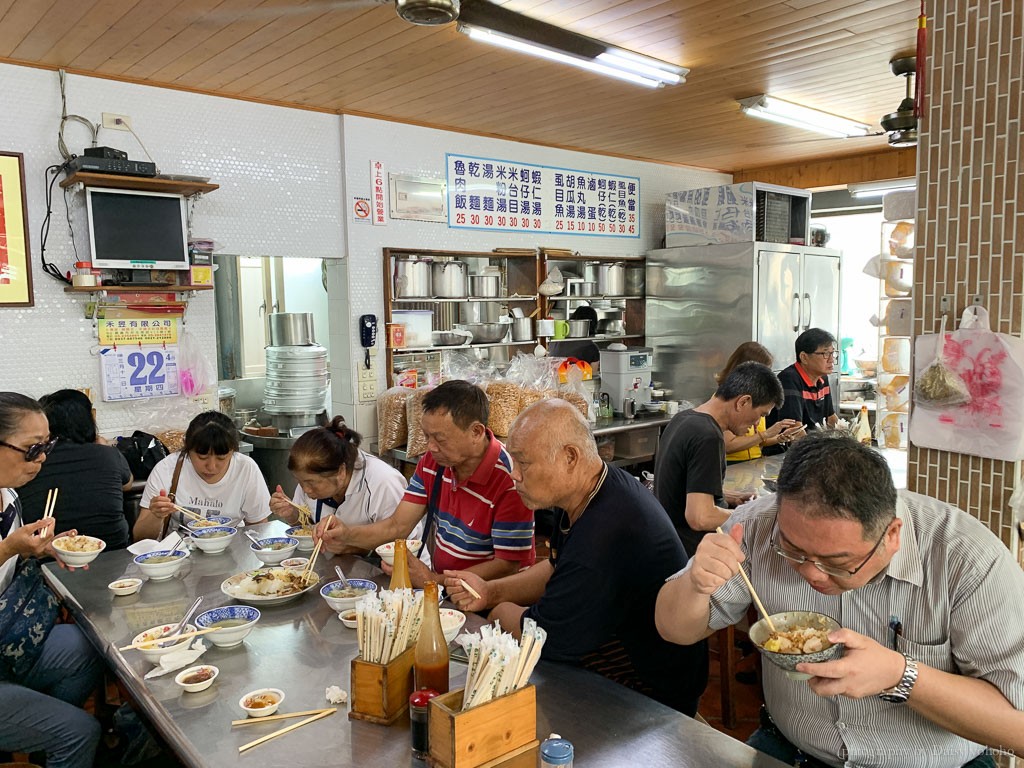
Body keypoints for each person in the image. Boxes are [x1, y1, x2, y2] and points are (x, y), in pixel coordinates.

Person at [655, 432, 1024, 768]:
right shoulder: (755, 527)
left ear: (892, 533)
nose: (813, 574)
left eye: (839, 562)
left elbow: (1017, 731)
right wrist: (695, 583)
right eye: (794, 551)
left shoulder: (968, 561)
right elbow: (673, 630)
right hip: (793, 750)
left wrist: (901, 676)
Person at [444, 399, 708, 715]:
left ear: (570, 457)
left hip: (649, 696)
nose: (513, 475)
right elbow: (558, 567)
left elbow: (542, 639)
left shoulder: (605, 533)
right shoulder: (596, 487)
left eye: (523, 463)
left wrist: (497, 610)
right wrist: (491, 591)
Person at [314, 380, 535, 586]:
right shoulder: (434, 462)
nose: (430, 447)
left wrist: (434, 580)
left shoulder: (510, 479)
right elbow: (397, 525)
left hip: (488, 595)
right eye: (426, 436)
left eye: (439, 438)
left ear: (476, 432)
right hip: (443, 588)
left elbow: (508, 564)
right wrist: (346, 534)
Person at [0, 392, 103, 768]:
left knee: (90, 644)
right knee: (79, 732)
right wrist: (10, 548)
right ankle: (61, 737)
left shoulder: (7, 496)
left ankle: (43, 737)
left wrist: (40, 549)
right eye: (31, 449)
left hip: (8, 638)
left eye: (47, 446)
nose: (42, 458)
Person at [653, 361, 784, 556]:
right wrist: (751, 516)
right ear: (743, 402)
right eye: (760, 415)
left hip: (668, 541)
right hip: (688, 552)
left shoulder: (684, 419)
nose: (757, 424)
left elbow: (680, 490)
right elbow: (699, 517)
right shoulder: (708, 436)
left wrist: (727, 498)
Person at [269, 415, 421, 552]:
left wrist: (349, 545)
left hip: (396, 572)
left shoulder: (383, 482)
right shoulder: (310, 480)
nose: (305, 489)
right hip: (342, 568)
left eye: (311, 483)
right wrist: (292, 514)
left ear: (341, 471)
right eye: (300, 482)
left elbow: (403, 542)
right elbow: (308, 528)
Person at [20, 389, 133, 549]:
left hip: (46, 550)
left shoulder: (32, 459)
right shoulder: (107, 453)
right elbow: (127, 484)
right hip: (113, 548)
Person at [134, 411, 270, 540]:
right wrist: (156, 515)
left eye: (221, 458)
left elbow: (258, 528)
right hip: (178, 553)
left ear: (233, 451)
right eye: (202, 457)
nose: (211, 466)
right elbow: (140, 538)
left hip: (230, 551)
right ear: (187, 448)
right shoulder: (167, 469)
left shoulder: (245, 468)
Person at [716, 342, 802, 463]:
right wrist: (766, 434)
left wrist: (779, 437)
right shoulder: (725, 399)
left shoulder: (757, 399)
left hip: (754, 464)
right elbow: (728, 445)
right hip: (733, 465)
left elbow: (758, 441)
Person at [763, 328, 838, 455]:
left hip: (811, 449)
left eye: (833, 353)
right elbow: (794, 429)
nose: (831, 359)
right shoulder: (789, 379)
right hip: (783, 453)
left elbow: (831, 418)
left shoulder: (822, 377)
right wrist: (818, 453)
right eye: (825, 354)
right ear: (804, 357)